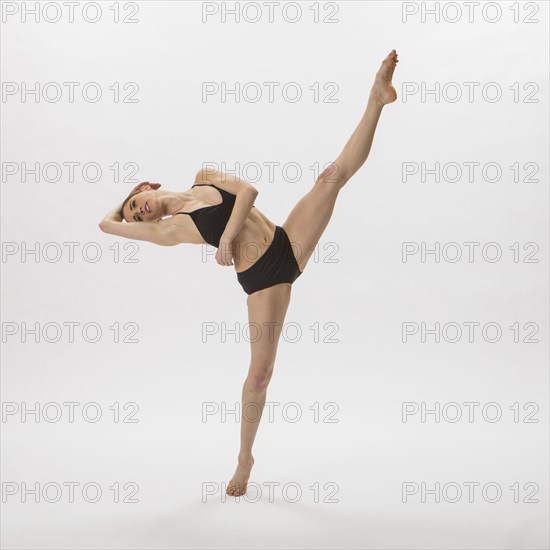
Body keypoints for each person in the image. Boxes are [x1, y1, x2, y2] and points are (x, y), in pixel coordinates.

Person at [100, 49, 399, 497]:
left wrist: (223, 240)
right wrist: (120, 215)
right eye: (137, 216)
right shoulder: (172, 231)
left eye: (135, 204)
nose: (139, 213)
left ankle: (376, 99)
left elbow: (250, 191)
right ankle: (245, 458)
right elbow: (107, 226)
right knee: (260, 375)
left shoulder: (204, 175)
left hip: (286, 241)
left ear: (147, 186)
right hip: (263, 279)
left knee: (330, 177)